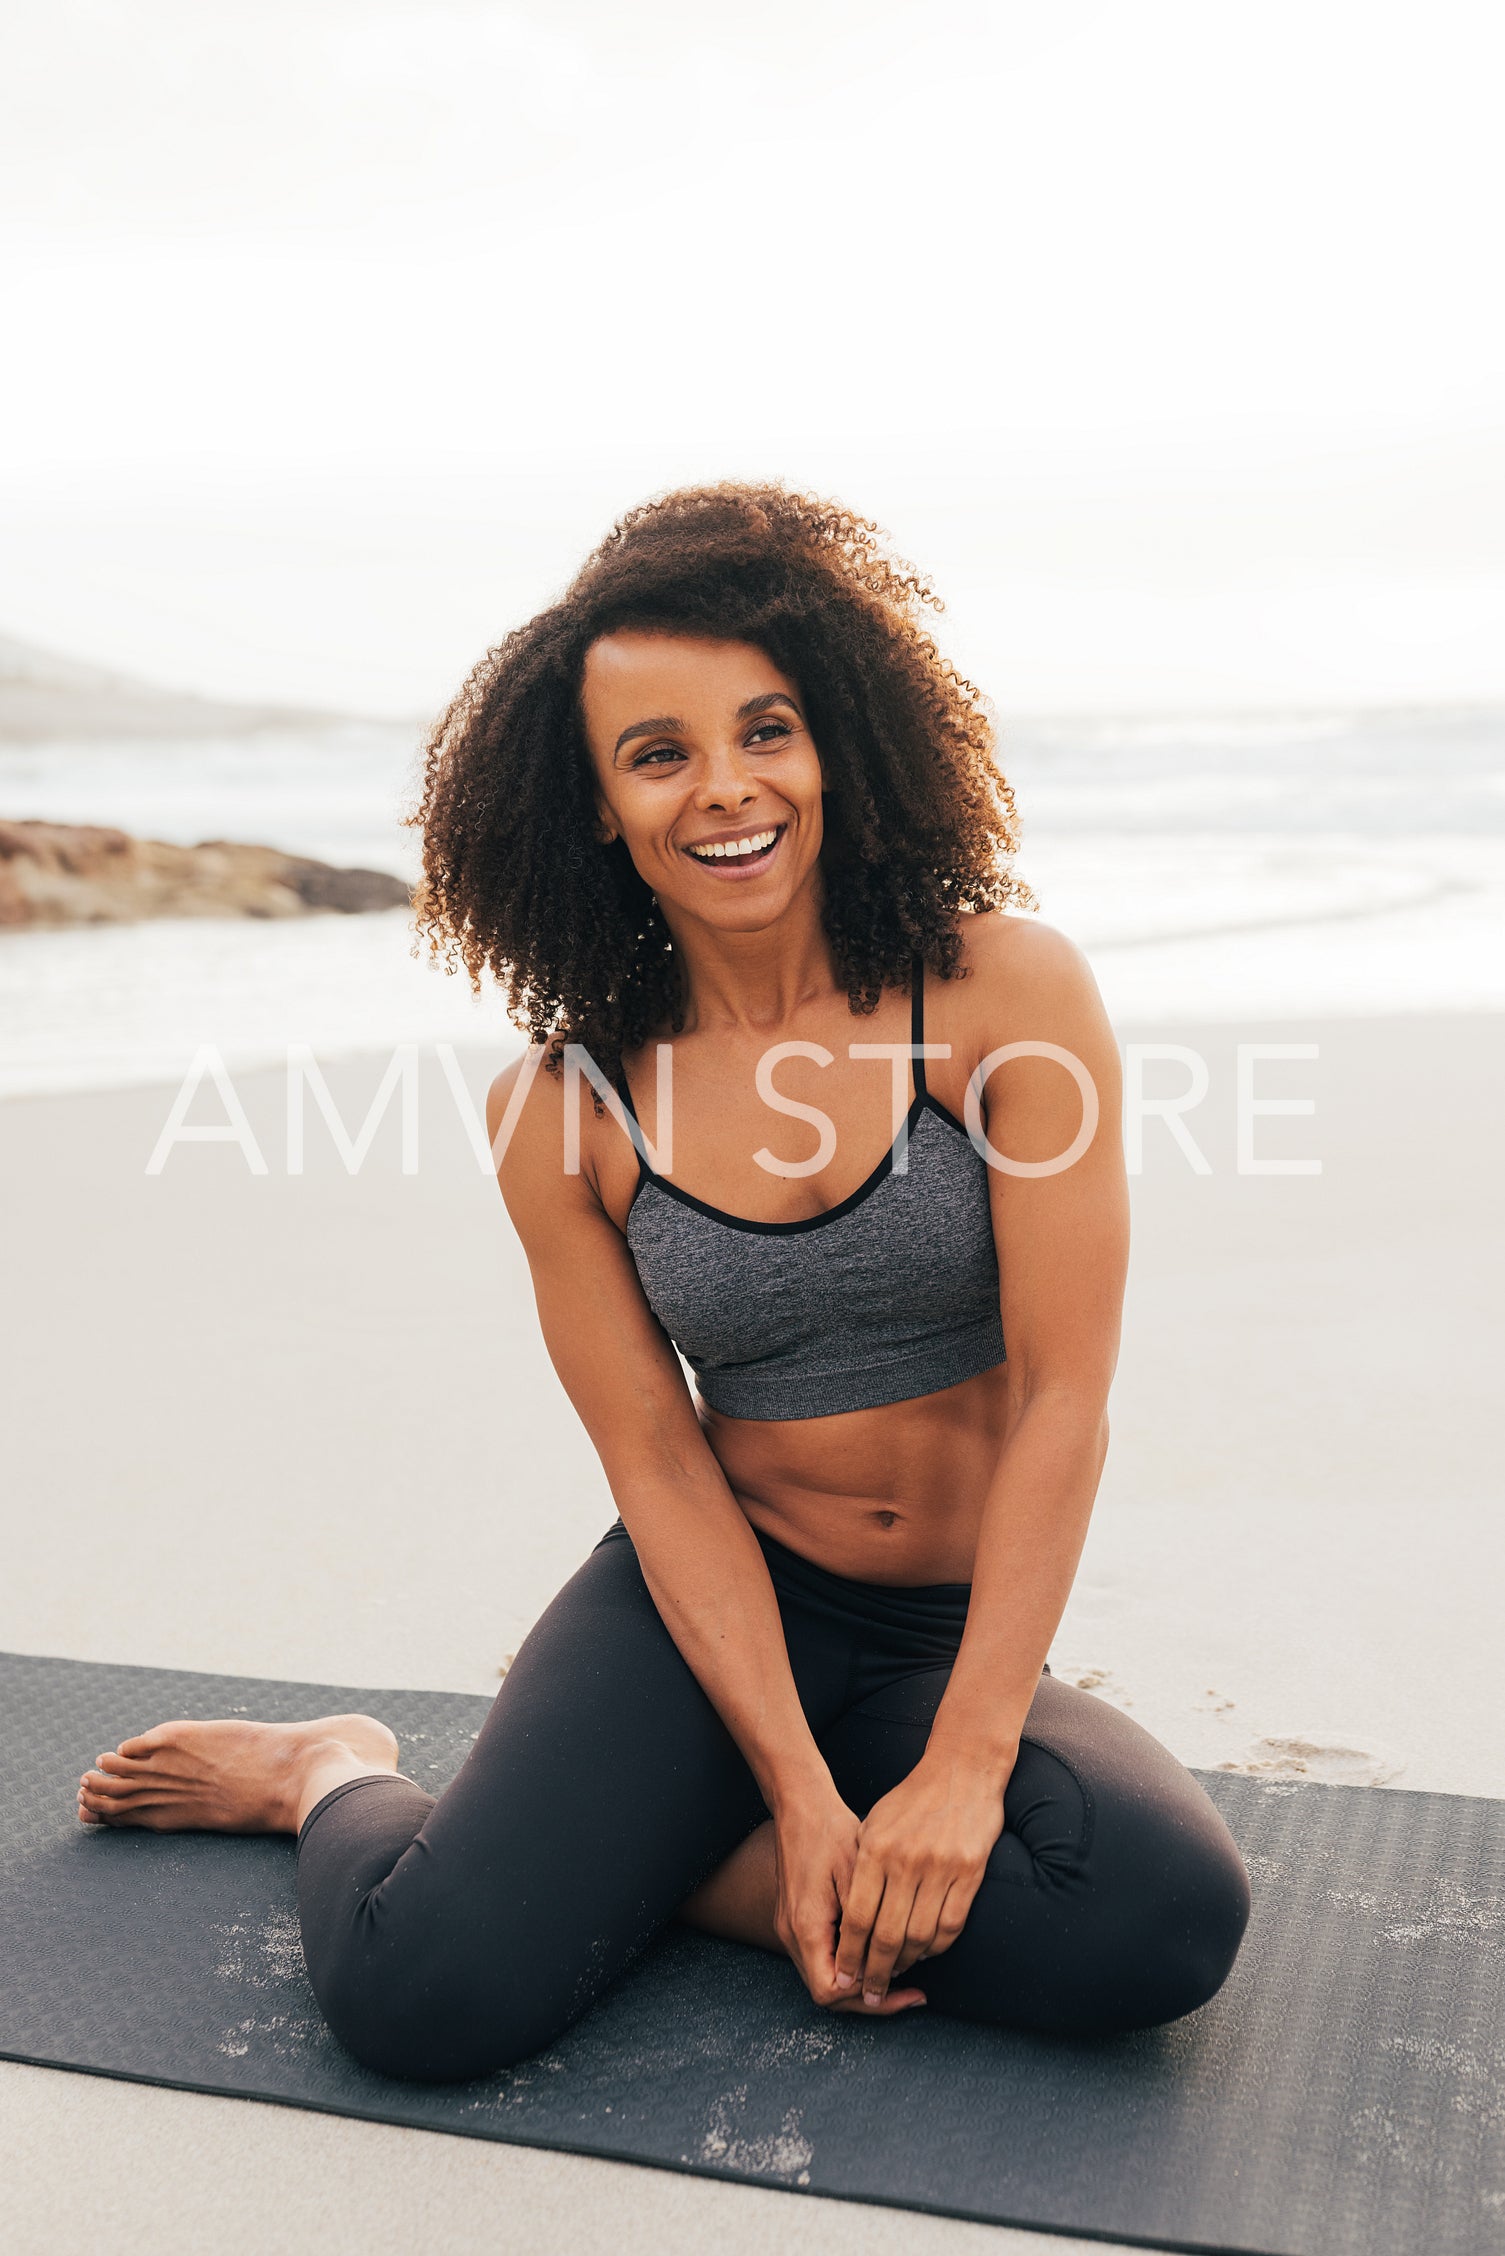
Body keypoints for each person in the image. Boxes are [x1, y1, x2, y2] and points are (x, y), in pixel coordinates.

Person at [76, 485, 1250, 2081]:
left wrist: (971, 1757)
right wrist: (793, 1792)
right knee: (419, 1997)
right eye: (659, 754)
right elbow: (656, 1463)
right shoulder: (565, 1113)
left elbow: (1064, 1399)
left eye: (765, 728)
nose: (727, 789)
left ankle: (654, 1857)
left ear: (837, 738)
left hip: (946, 1636)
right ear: (599, 810)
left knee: (1157, 1923)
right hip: (711, 1604)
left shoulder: (999, 995)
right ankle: (331, 1775)